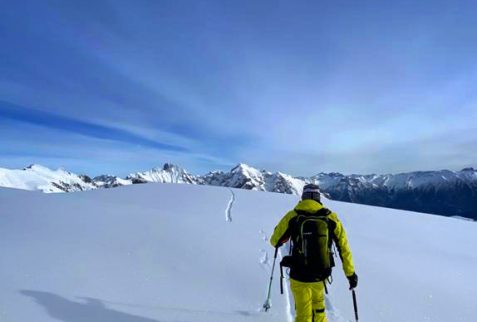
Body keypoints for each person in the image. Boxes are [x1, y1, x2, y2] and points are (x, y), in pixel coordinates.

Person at [270, 183, 358, 322]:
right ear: (318, 198)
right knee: (319, 308)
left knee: (303, 314)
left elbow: (274, 241)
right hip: (321, 273)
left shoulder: (293, 216)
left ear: (303, 197)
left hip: (299, 274)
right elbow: (343, 247)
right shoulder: (330, 218)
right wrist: (350, 274)